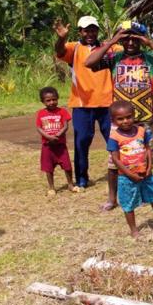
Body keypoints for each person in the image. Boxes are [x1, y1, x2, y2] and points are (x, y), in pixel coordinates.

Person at [85, 21, 153, 210]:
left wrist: (150, 43)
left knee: (143, 158)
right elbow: (89, 62)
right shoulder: (113, 58)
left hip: (144, 117)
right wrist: (111, 42)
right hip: (119, 120)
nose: (131, 42)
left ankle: (144, 195)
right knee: (114, 161)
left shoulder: (151, 59)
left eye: (135, 38)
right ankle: (112, 198)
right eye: (127, 38)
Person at [53, 16, 115, 190]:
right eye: (86, 30)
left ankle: (120, 172)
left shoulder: (108, 47)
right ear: (80, 31)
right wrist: (61, 38)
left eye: (93, 29)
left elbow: (125, 46)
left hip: (107, 103)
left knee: (114, 141)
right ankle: (81, 178)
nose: (90, 33)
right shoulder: (74, 48)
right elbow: (59, 51)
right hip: (82, 104)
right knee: (81, 142)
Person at [107, 101, 153, 238]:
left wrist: (149, 167)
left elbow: (147, 149)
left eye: (128, 117)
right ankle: (134, 229)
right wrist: (129, 174)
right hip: (126, 177)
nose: (125, 121)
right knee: (128, 203)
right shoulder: (114, 137)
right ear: (113, 121)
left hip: (145, 173)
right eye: (120, 119)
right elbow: (115, 159)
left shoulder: (142, 131)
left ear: (134, 116)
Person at [36, 86, 76, 196]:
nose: (52, 102)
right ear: (43, 101)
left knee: (67, 166)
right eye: (48, 100)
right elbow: (39, 127)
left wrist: (58, 135)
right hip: (47, 146)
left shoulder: (62, 111)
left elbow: (66, 125)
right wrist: (48, 137)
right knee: (48, 168)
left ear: (57, 98)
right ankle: (51, 187)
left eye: (54, 99)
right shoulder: (40, 113)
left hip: (60, 145)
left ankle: (70, 184)